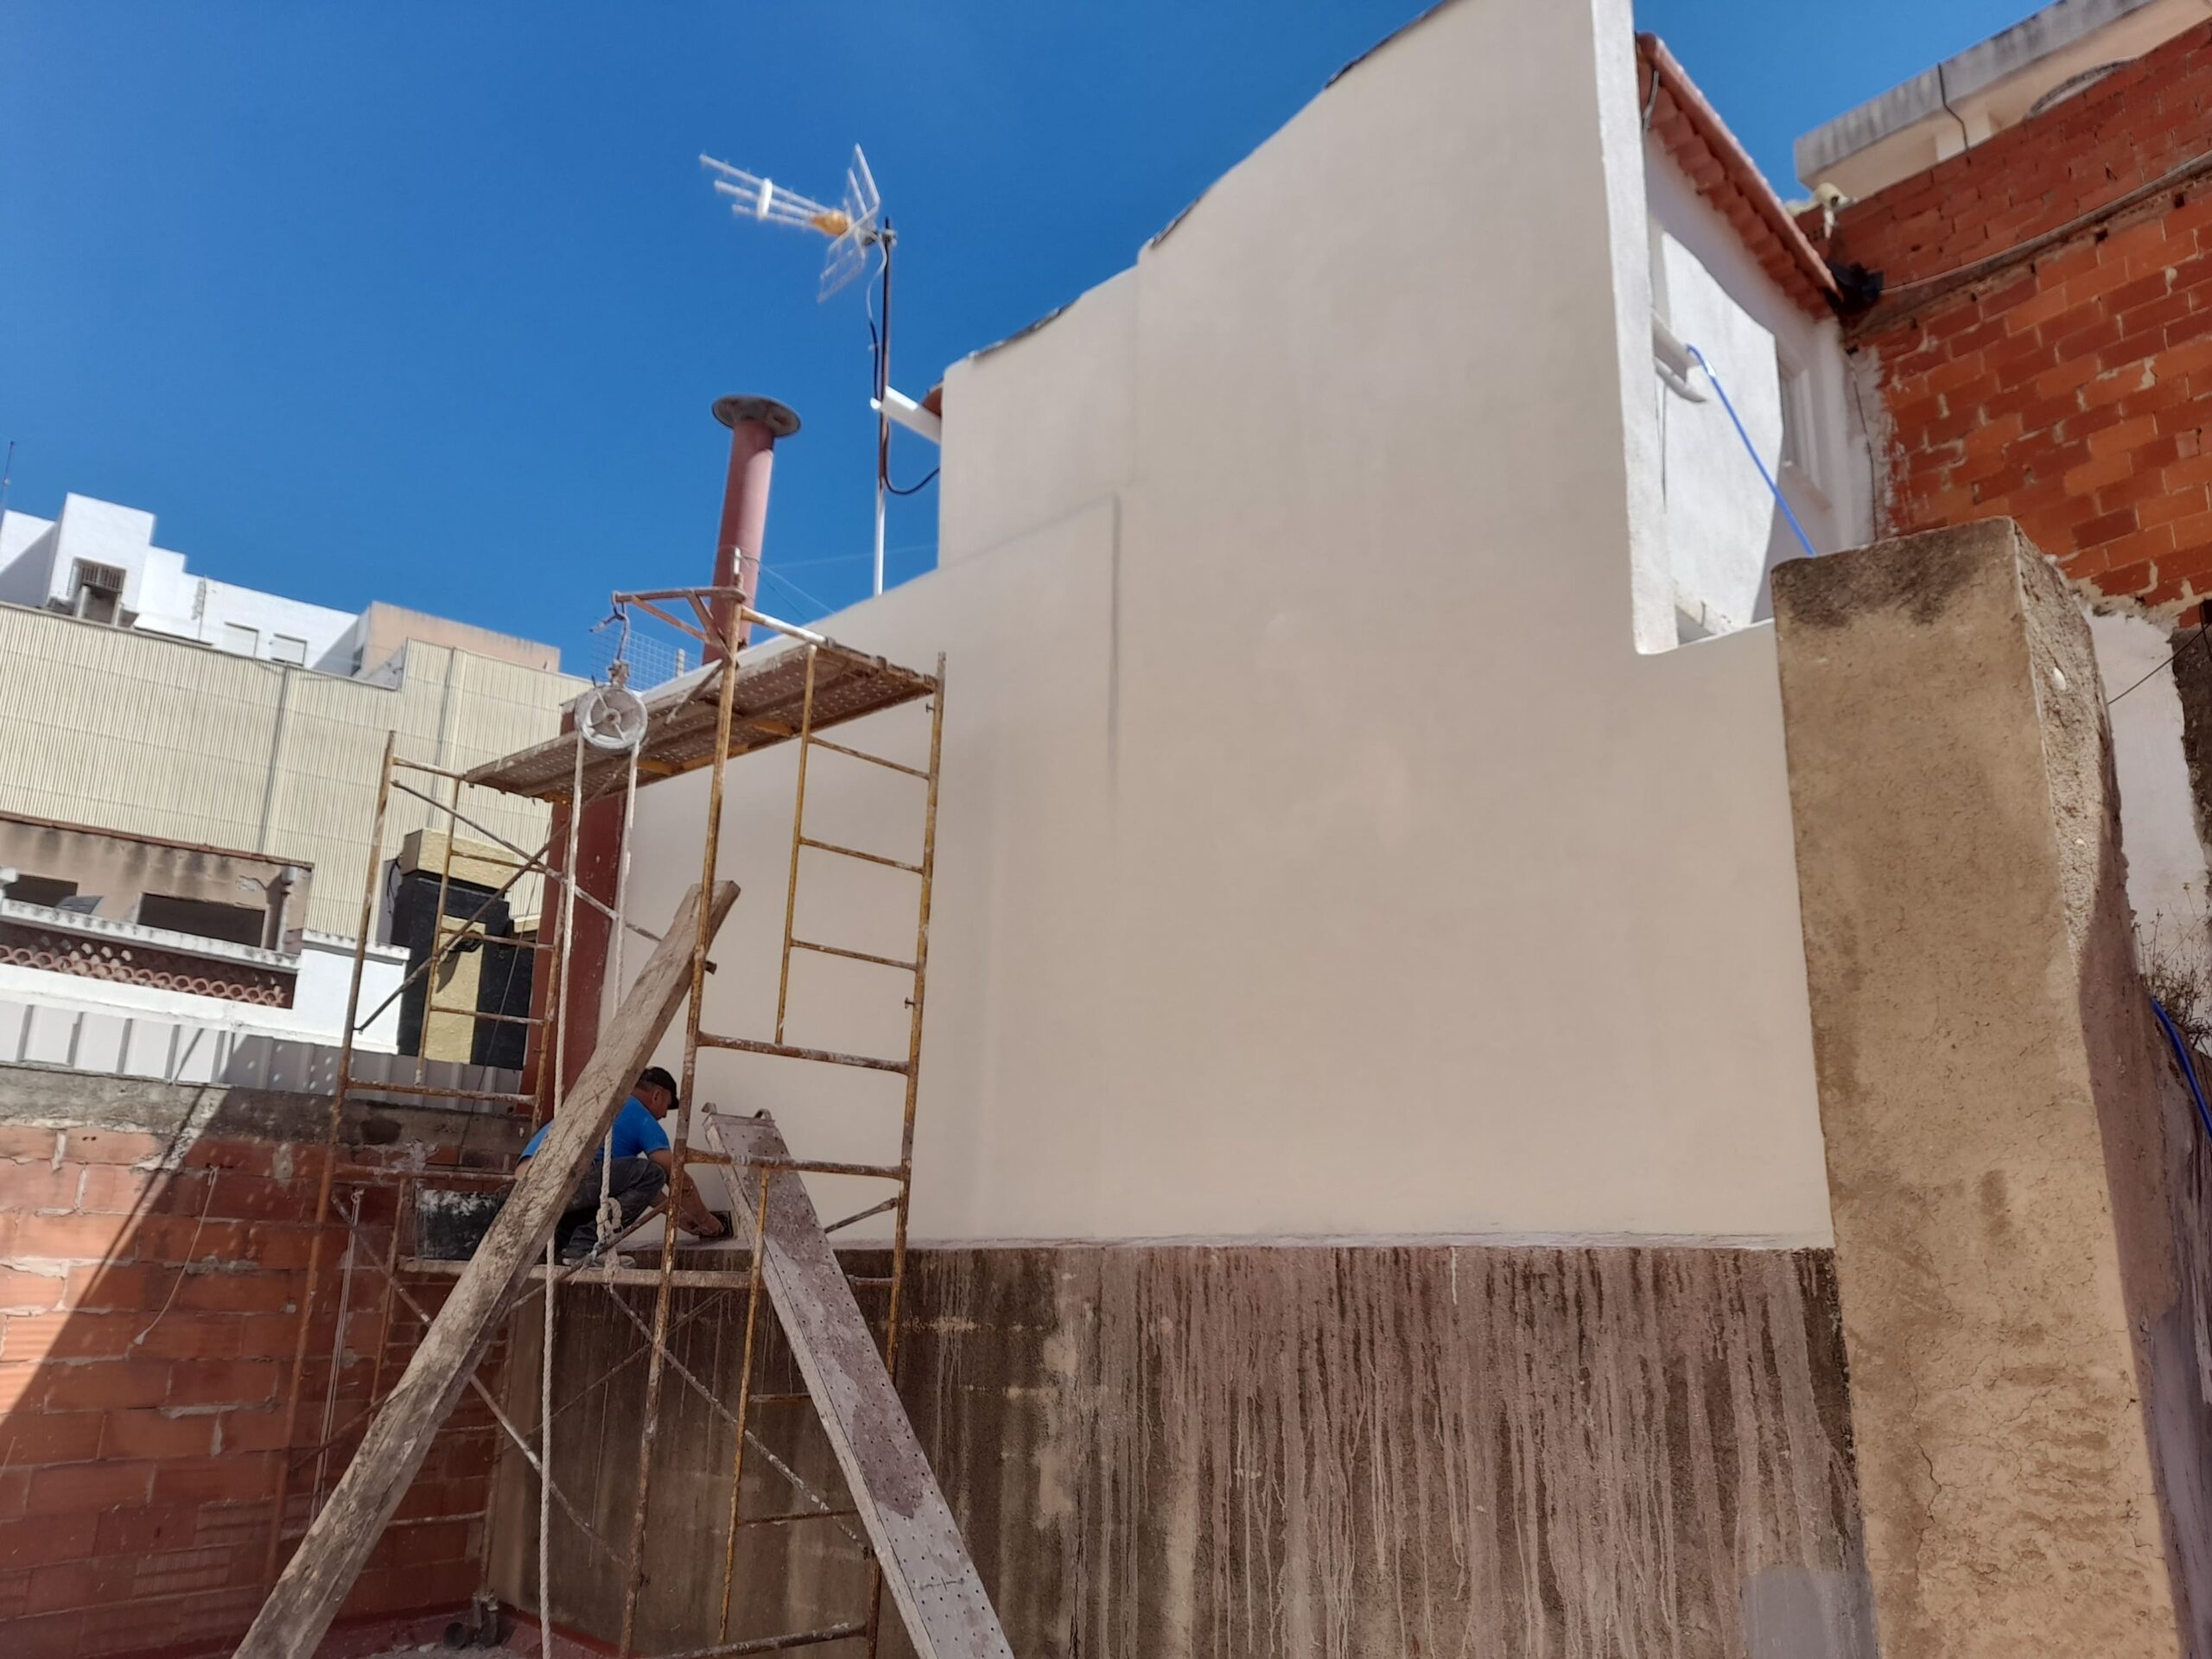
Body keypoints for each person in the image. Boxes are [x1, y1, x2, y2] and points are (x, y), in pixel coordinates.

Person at [518, 1065, 728, 1263]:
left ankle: (563, 1251)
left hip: (527, 1186)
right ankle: (585, 1245)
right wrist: (705, 1219)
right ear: (657, 1095)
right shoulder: (638, 1113)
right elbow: (676, 1177)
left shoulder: (605, 1104)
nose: (664, 1114)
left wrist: (679, 1217)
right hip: (562, 1179)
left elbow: (637, 1188)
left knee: (614, 1185)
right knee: (653, 1172)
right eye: (667, 1106)